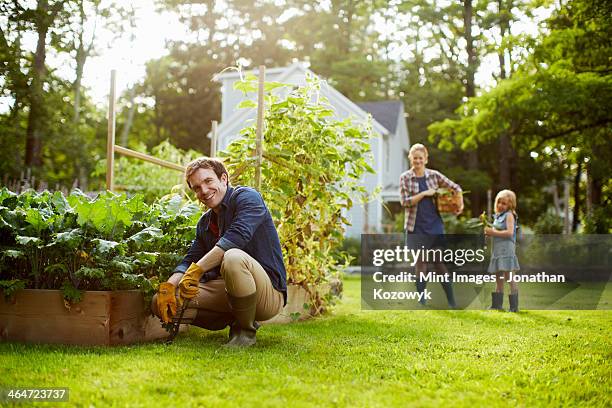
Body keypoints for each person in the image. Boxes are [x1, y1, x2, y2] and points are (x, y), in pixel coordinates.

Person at [151, 158, 287, 347]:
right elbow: (191, 258)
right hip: (228, 291)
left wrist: (197, 271)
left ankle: (245, 333)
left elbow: (236, 238)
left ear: (223, 179)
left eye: (208, 181)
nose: (204, 191)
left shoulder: (247, 197)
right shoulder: (205, 223)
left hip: (267, 294)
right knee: (159, 301)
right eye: (197, 187)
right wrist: (169, 286)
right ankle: (231, 319)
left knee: (233, 257)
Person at [399, 144, 463, 308]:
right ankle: (421, 300)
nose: (418, 161)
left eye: (421, 158)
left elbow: (456, 188)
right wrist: (424, 194)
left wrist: (459, 205)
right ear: (411, 159)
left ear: (426, 159)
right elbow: (405, 202)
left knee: (438, 261)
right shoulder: (405, 178)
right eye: (415, 158)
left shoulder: (434, 176)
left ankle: (451, 301)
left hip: (434, 225)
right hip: (415, 226)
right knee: (420, 263)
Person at [485, 189, 520, 312]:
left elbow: (510, 233)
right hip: (497, 251)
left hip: (506, 251)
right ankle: (497, 305)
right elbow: (498, 232)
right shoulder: (497, 217)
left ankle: (514, 307)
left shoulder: (509, 215)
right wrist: (490, 234)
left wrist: (493, 232)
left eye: (504, 203)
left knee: (509, 277)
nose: (500, 205)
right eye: (499, 202)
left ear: (510, 205)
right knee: (498, 278)